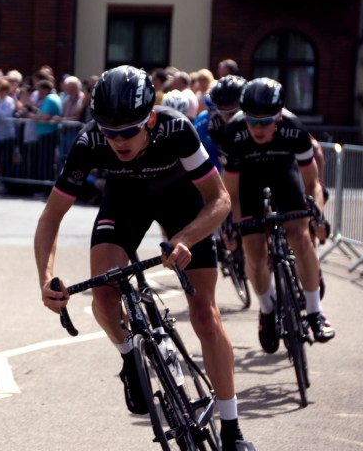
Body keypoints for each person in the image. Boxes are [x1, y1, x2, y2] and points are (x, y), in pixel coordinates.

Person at [34, 65, 254, 451]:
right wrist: (46, 278)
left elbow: (220, 200)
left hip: (182, 205)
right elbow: (51, 216)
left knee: (204, 312)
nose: (118, 140)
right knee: (104, 292)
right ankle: (129, 358)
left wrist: (185, 237)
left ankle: (232, 427)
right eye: (109, 131)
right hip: (125, 202)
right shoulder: (89, 142)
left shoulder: (175, 129)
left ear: (149, 118)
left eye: (128, 131)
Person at [220, 78, 334, 351]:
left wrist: (317, 214)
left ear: (279, 116)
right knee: (255, 254)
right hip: (248, 181)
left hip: (284, 174)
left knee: (300, 236)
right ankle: (267, 309)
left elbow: (312, 184)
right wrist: (232, 226)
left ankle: (315, 312)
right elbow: (231, 194)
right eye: (252, 121)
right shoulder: (235, 132)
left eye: (266, 121)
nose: (258, 128)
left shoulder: (294, 129)